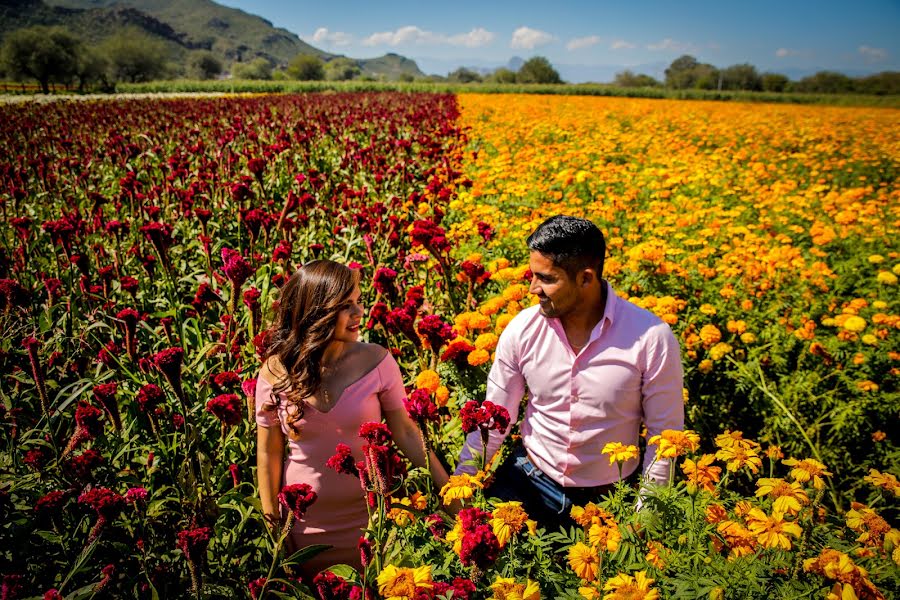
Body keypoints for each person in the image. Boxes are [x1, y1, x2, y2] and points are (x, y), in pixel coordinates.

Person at [455, 215, 684, 529]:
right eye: (532, 275)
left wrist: (644, 519)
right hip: (528, 481)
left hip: (607, 500)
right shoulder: (522, 330)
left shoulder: (650, 338)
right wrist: (462, 481)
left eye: (546, 278)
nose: (533, 288)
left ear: (586, 278)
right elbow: (494, 419)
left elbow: (664, 437)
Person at [255, 259, 449, 576]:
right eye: (346, 306)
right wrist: (273, 525)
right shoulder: (274, 373)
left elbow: (407, 433)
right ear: (315, 313)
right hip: (305, 529)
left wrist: (449, 496)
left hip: (373, 523)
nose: (359, 313)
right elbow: (268, 452)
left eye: (358, 301)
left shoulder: (376, 361)